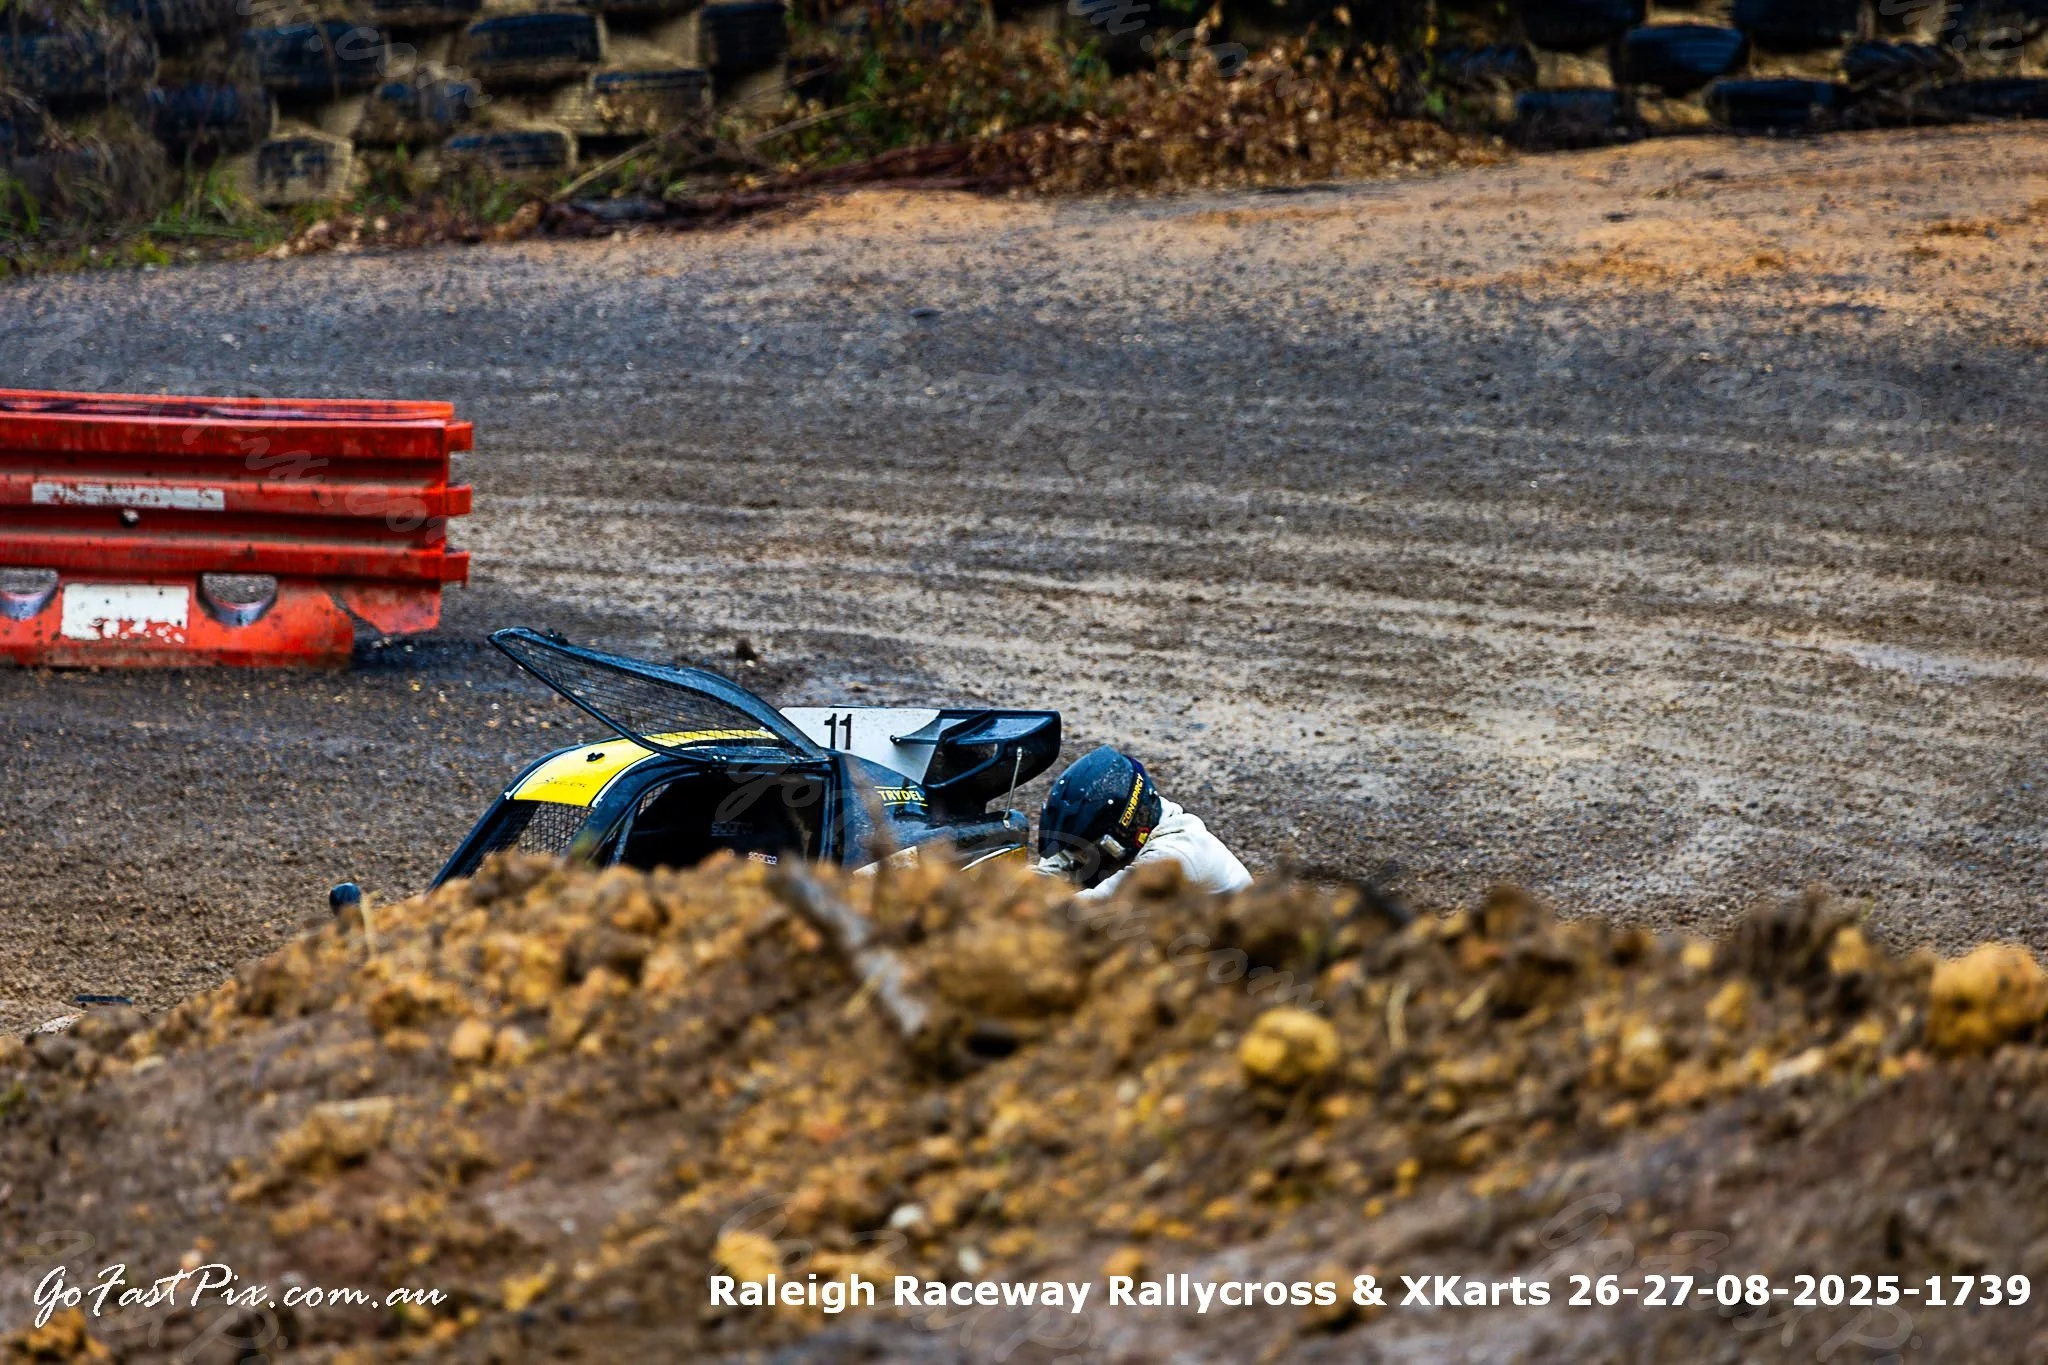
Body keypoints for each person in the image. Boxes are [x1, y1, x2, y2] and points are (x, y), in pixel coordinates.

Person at [1034, 745, 1251, 901]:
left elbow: (1094, 908)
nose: (1079, 857)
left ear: (1125, 831)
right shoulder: (1141, 822)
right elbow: (1058, 863)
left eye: (1085, 850)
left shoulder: (1175, 854)